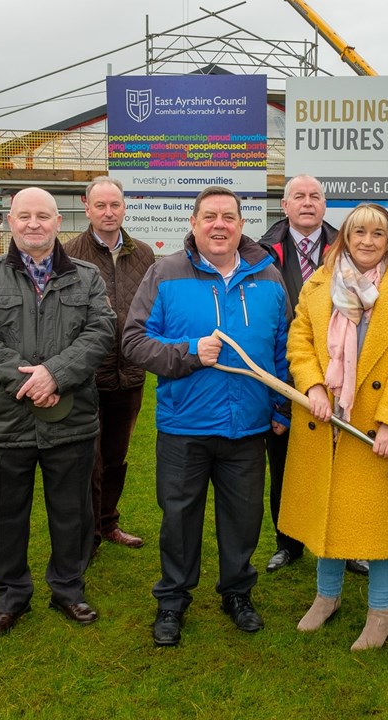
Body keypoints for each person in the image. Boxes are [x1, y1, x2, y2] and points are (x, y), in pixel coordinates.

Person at [124, 186, 291, 647]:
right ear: (194, 224)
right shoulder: (165, 273)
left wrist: (280, 407)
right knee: (179, 519)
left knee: (243, 518)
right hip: (185, 426)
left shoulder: (269, 277)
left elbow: (284, 350)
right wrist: (190, 352)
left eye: (229, 217)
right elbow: (134, 341)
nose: (220, 225)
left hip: (248, 427)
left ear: (241, 224)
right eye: (210, 217)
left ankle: (237, 593)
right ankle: (173, 600)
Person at [0, 187, 116, 638]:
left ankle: (69, 589)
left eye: (42, 216)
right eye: (23, 216)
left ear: (57, 222)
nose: (33, 224)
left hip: (72, 418)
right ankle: (9, 598)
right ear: (9, 222)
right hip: (6, 419)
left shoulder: (86, 278)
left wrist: (55, 375)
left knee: (73, 511)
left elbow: (101, 333)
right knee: (4, 514)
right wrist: (28, 379)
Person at [278, 203, 388, 651]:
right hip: (325, 420)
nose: (367, 241)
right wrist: (313, 387)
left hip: (377, 427)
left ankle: (381, 612)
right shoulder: (318, 285)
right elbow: (300, 339)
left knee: (378, 524)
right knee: (328, 513)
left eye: (377, 234)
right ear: (344, 237)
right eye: (358, 232)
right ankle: (326, 598)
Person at [258, 174, 367, 577]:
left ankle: (348, 544)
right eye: (298, 196)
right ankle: (288, 542)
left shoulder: (349, 248)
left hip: (343, 375)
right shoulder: (262, 251)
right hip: (287, 373)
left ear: (325, 206)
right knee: (285, 463)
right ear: (284, 206)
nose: (307, 202)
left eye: (315, 196)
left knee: (344, 466)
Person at [62, 176, 155, 555]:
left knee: (116, 456)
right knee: (88, 458)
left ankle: (108, 521)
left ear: (124, 206)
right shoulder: (67, 253)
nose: (108, 212)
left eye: (114, 205)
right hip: (86, 376)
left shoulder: (145, 254)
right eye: (100, 205)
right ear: (87, 208)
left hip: (130, 373)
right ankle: (87, 534)